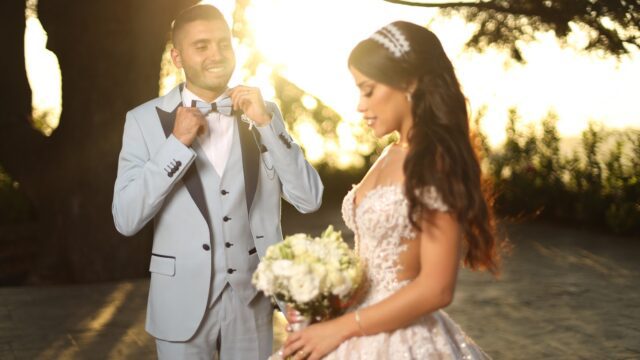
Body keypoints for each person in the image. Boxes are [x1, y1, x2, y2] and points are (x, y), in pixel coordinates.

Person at [111, 4, 323, 360]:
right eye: (202, 45)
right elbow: (126, 218)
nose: (216, 55)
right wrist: (175, 145)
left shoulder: (263, 111)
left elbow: (309, 198)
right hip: (179, 301)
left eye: (224, 43)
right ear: (177, 57)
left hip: (252, 296)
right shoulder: (144, 121)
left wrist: (268, 125)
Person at [281, 21, 499, 360]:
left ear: (410, 83)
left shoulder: (436, 164)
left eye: (368, 90)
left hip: (400, 339)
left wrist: (340, 328)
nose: (359, 105)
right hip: (355, 321)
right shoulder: (390, 152)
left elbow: (437, 288)